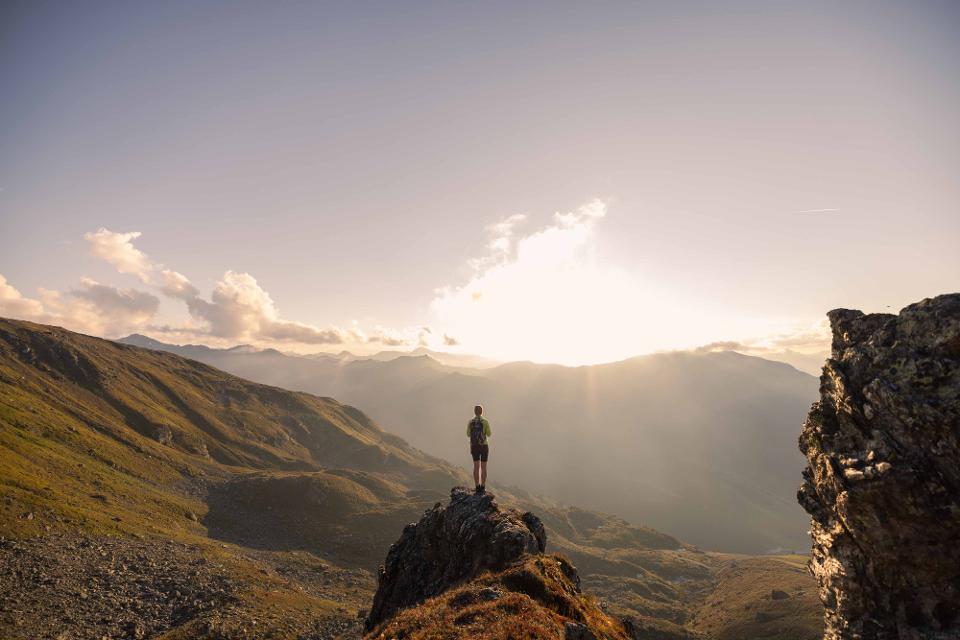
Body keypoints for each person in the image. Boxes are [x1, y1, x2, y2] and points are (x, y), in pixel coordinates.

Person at [467, 405, 491, 493]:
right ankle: (483, 486)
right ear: (482, 412)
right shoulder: (485, 422)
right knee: (483, 467)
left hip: (474, 446)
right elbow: (489, 434)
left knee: (476, 466)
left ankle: (477, 486)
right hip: (484, 446)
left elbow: (468, 434)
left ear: (474, 412)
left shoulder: (471, 422)